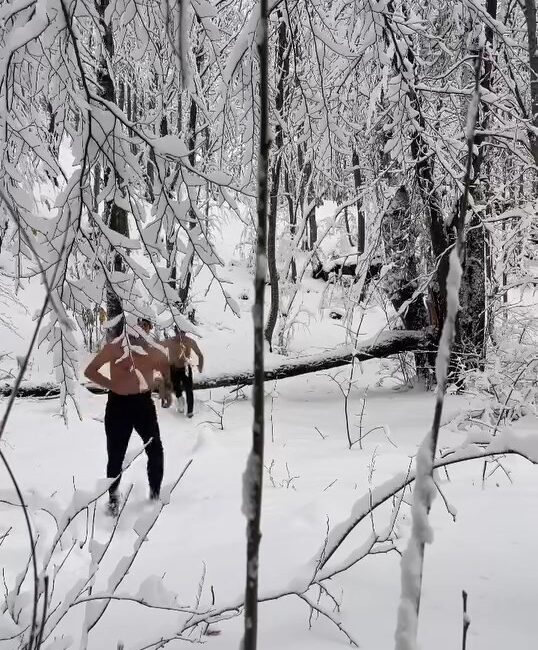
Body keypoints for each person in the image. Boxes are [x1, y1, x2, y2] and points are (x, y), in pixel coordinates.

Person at [84, 318, 172, 516]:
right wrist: (113, 385)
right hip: (118, 407)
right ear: (130, 324)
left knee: (155, 449)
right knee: (116, 456)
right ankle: (113, 500)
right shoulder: (115, 347)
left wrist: (165, 389)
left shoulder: (152, 348)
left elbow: (164, 369)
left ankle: (155, 495)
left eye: (147, 324)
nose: (144, 328)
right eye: (140, 323)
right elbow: (90, 370)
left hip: (144, 405)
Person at [163, 327, 204, 418]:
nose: (180, 335)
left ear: (184, 332)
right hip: (174, 368)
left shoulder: (189, 341)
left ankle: (189, 411)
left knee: (188, 389)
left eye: (182, 332)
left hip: (185, 368)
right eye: (179, 332)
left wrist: (200, 368)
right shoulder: (170, 341)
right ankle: (181, 401)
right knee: (177, 387)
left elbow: (200, 355)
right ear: (176, 332)